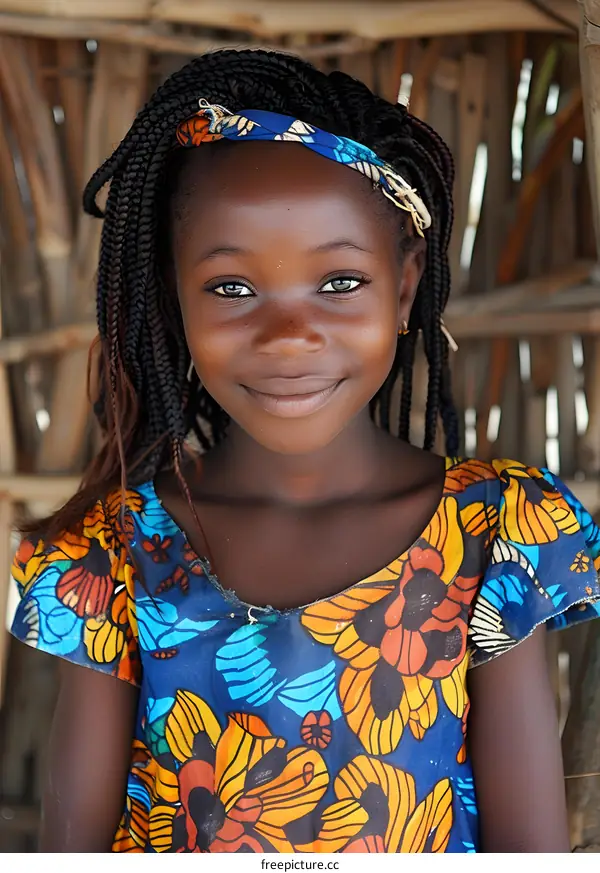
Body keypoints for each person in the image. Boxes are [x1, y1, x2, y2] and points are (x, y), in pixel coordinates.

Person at [9, 49, 600, 854]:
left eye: (340, 281)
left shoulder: (494, 533)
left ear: (403, 286)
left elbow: (530, 853)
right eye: (231, 288)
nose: (289, 336)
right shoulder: (111, 553)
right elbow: (66, 854)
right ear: (172, 299)